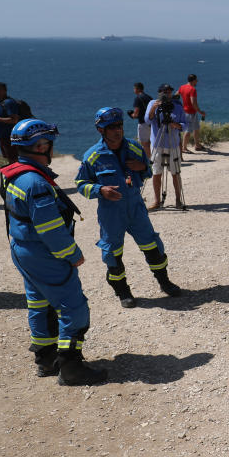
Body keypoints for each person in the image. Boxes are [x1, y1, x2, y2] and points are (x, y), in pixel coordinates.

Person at [0, 118, 107, 385]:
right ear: (39, 145)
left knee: (39, 303)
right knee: (75, 307)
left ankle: (46, 359)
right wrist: (73, 254)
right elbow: (51, 230)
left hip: (23, 251)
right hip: (43, 254)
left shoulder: (14, 175)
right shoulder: (36, 184)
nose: (51, 148)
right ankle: (71, 368)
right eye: (48, 143)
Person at [75, 107, 181, 308]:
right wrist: (100, 189)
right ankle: (123, 291)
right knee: (113, 254)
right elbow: (80, 184)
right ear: (101, 130)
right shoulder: (92, 156)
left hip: (136, 208)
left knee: (152, 246)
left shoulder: (134, 148)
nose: (118, 130)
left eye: (120, 126)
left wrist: (142, 168)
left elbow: (149, 172)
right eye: (112, 127)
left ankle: (164, 282)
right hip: (111, 212)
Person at [146, 84, 187, 210]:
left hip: (172, 143)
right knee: (156, 172)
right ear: (159, 93)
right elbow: (147, 120)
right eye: (164, 92)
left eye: (169, 92)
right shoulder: (153, 103)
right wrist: (153, 108)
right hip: (158, 144)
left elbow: (185, 125)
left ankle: (178, 200)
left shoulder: (177, 106)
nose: (167, 94)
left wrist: (176, 125)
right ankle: (157, 201)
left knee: (175, 173)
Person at [178, 74, 206, 153]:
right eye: (196, 80)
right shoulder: (192, 89)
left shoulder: (182, 87)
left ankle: (197, 145)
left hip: (187, 111)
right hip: (190, 112)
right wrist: (200, 112)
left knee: (196, 128)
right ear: (193, 80)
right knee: (188, 130)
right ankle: (184, 148)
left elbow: (176, 95)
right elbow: (193, 103)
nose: (197, 81)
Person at [127, 82, 152, 160]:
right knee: (151, 142)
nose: (134, 90)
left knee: (144, 143)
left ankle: (149, 160)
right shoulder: (149, 97)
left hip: (143, 123)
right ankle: (154, 158)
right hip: (151, 122)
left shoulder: (138, 98)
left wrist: (131, 115)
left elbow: (136, 114)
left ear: (137, 89)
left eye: (134, 88)